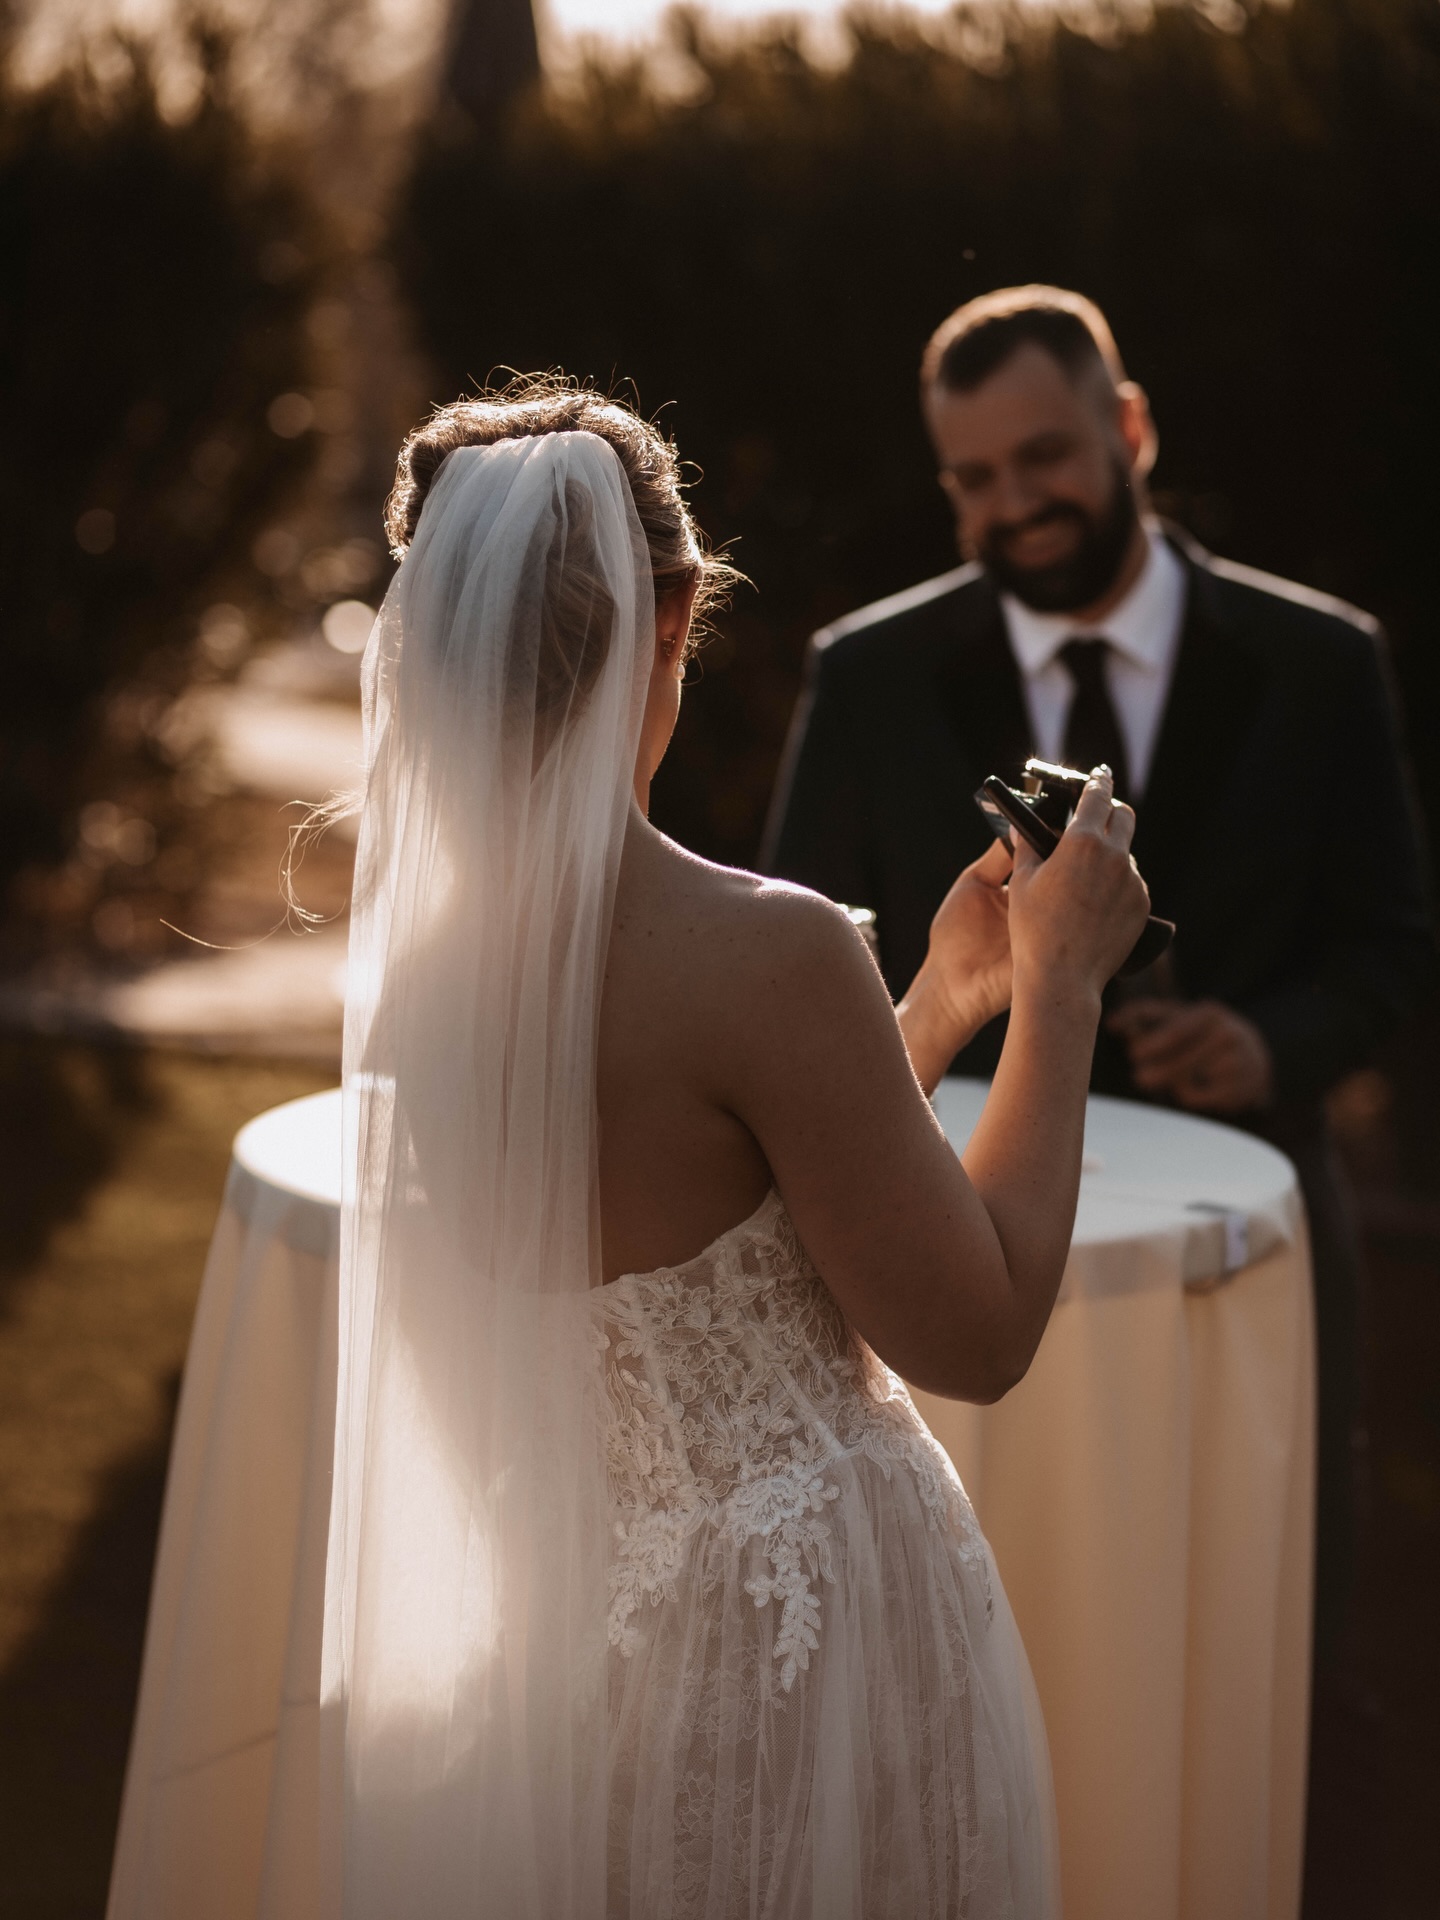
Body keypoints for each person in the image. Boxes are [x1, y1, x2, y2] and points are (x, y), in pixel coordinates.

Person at [320, 377, 1149, 1918]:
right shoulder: (759, 953)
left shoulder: (426, 990)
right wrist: (1065, 988)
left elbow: (726, 1210)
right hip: (818, 1655)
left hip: (588, 1659)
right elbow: (974, 1327)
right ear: (679, 613)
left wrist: (939, 1009)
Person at [761, 285, 1435, 1663]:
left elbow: (1395, 943)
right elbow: (806, 946)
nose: (1016, 504)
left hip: (1238, 1239)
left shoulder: (1322, 662)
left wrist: (1272, 1043)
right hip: (957, 1234)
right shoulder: (871, 673)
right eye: (975, 478)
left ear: (1128, 427)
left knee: (1249, 1634)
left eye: (1047, 456)